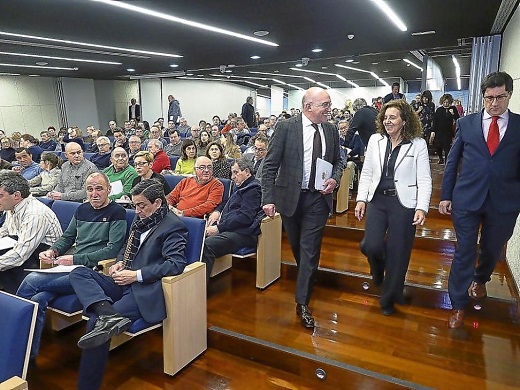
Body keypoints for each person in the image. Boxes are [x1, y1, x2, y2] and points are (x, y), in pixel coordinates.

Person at [69, 180, 188, 390]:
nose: (137, 210)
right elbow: (127, 245)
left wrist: (136, 275)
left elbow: (175, 264)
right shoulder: (140, 219)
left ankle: (86, 386)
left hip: (143, 289)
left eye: (142, 205)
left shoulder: (173, 226)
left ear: (158, 202)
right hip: (122, 281)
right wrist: (119, 262)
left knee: (96, 324)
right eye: (135, 205)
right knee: (79, 273)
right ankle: (109, 314)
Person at [439, 71, 520, 329]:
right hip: (467, 198)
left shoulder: (519, 125)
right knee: (464, 250)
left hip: (505, 201)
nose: (494, 103)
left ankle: (481, 278)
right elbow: (452, 162)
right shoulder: (467, 124)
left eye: (500, 97)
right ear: (482, 97)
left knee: (492, 248)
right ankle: (458, 304)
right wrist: (445, 195)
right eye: (489, 98)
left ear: (509, 94)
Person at [17, 172, 127, 360]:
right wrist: (54, 251)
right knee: (39, 298)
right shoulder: (82, 209)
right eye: (90, 189)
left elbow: (111, 250)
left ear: (109, 189)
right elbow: (68, 237)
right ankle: (27, 354)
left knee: (32, 280)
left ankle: (11, 332)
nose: (94, 193)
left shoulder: (117, 212)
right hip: (72, 268)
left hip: (92, 272)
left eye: (99, 188)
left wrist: (76, 259)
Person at [262, 87, 343, 329]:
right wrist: (268, 198)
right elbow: (270, 164)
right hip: (290, 199)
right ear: (308, 107)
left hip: (318, 198)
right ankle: (307, 276)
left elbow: (339, 160)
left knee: (309, 249)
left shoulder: (331, 129)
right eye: (325, 105)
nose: (329, 109)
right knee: (299, 249)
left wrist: (335, 179)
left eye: (329, 104)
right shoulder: (287, 128)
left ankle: (303, 303)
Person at [354, 100, 432, 315]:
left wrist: (422, 207)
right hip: (377, 200)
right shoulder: (375, 140)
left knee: (398, 252)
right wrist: (361, 199)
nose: (388, 121)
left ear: (404, 120)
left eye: (393, 117)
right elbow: (367, 172)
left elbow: (424, 179)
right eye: (385, 118)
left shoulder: (417, 144)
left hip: (404, 203)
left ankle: (388, 298)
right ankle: (378, 271)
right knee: (371, 245)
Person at [0, 171, 62, 293]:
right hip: (23, 249)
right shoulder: (11, 206)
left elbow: (20, 255)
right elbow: (4, 231)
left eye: (0, 195)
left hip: (43, 259)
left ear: (16, 195)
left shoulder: (35, 214)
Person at [203, 157, 262, 281]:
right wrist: (218, 211)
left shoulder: (253, 189)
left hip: (242, 233)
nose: (232, 177)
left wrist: (219, 228)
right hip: (230, 229)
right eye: (232, 173)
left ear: (247, 172)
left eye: (236, 172)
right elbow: (227, 202)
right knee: (197, 240)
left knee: (206, 246)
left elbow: (245, 217)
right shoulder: (241, 185)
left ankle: (199, 290)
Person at [432, 93, 460, 164]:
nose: (446, 104)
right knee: (438, 146)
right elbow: (435, 120)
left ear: (450, 102)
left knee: (447, 147)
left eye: (447, 102)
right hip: (439, 131)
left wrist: (453, 114)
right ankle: (440, 158)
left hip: (448, 132)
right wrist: (433, 131)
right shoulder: (439, 109)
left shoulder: (453, 108)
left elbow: (458, 118)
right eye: (444, 102)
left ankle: (446, 161)